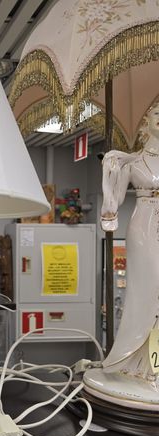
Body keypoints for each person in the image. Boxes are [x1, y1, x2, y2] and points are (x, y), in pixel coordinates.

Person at [100, 101, 159, 386]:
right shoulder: (133, 162)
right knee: (146, 288)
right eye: (157, 114)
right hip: (143, 226)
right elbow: (116, 199)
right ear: (146, 121)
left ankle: (154, 362)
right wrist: (110, 177)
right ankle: (132, 358)